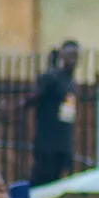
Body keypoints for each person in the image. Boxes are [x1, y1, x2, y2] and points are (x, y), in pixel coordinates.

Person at [25, 39, 79, 189]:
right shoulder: (50, 77)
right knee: (41, 179)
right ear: (62, 56)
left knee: (57, 181)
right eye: (70, 56)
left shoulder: (71, 81)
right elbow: (34, 97)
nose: (73, 60)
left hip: (64, 140)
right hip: (47, 141)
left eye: (76, 56)